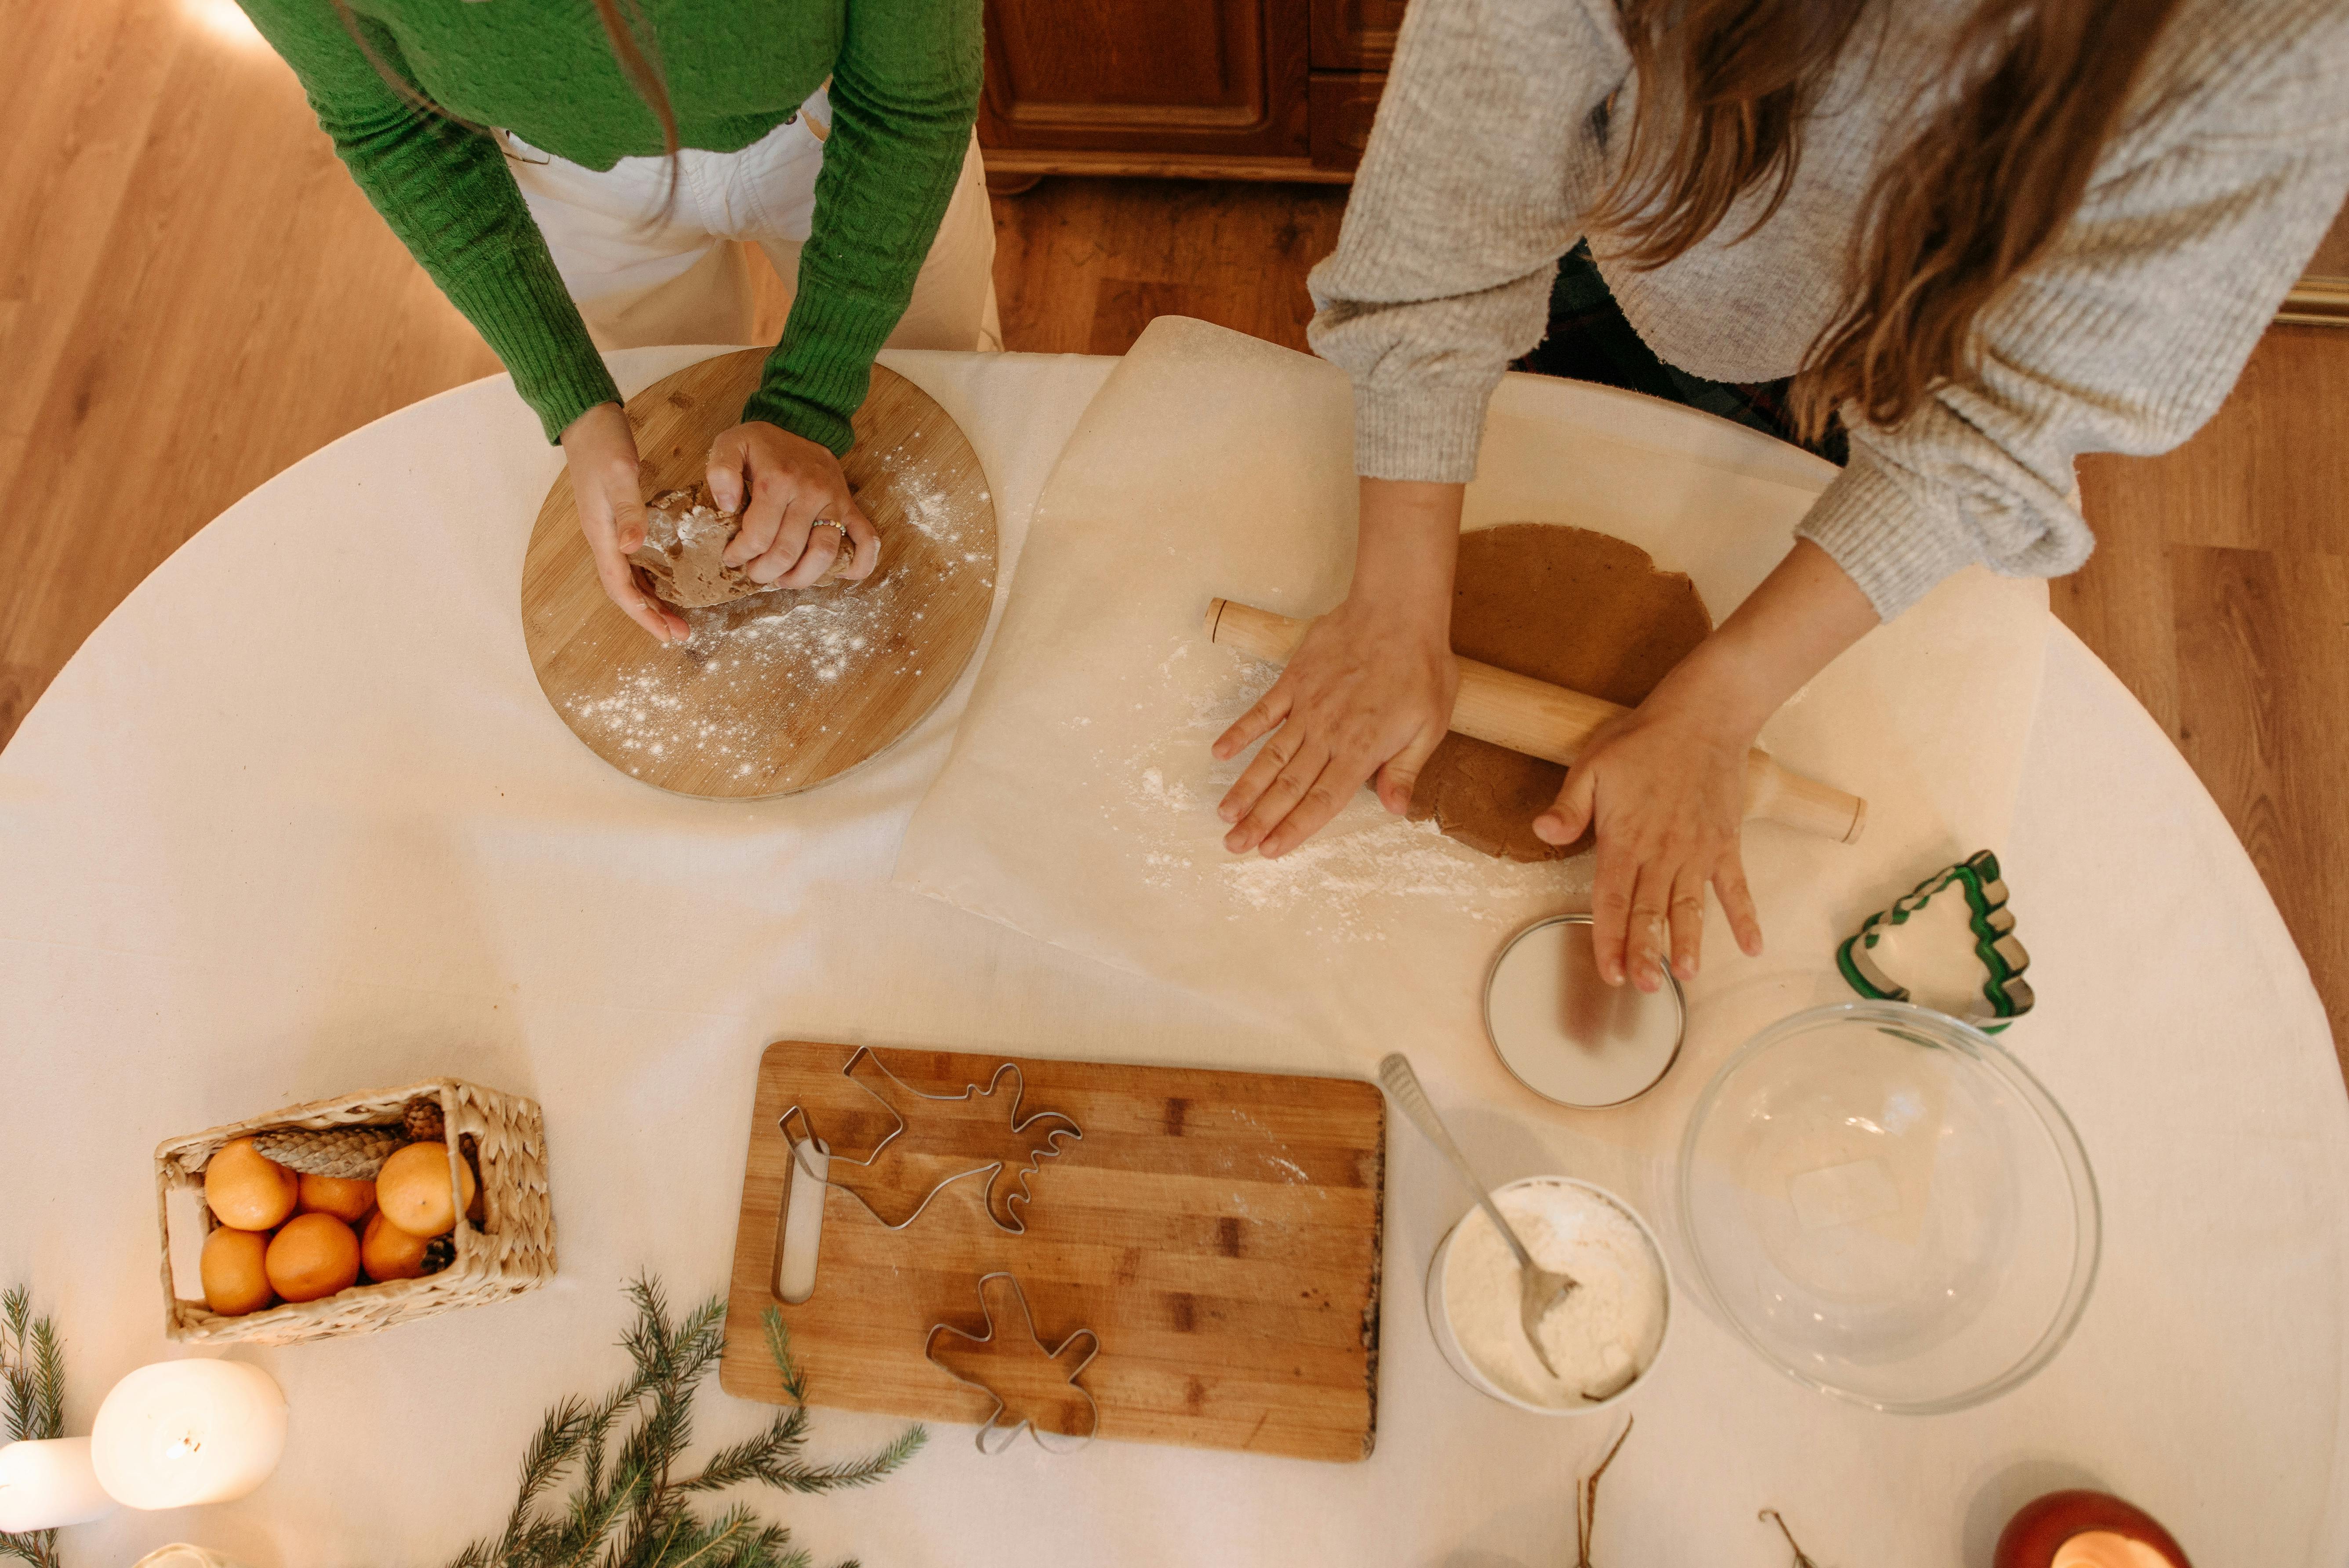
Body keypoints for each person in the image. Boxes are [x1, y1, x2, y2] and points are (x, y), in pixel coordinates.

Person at [1215, 0, 2349, 995]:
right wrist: (1396, 606)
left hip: (1914, 370)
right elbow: (1449, 232)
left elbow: (2003, 433)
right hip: (1631, 245)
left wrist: (1716, 709)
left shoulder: (2275, 42)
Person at [236, 0, 995, 644]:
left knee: (936, 406)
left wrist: (812, 399)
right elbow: (391, 126)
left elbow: (910, 100)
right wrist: (574, 400)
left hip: (846, 122)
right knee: (675, 436)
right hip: (560, 176)